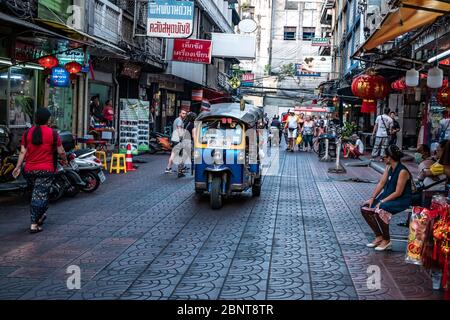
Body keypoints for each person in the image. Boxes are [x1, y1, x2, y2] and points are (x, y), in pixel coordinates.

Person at [12, 108, 68, 234]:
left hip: (29, 170)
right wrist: (65, 160)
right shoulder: (53, 134)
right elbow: (61, 151)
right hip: (45, 170)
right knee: (40, 196)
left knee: (37, 194)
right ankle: (34, 223)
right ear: (48, 120)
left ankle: (40, 216)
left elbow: (22, 152)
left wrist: (18, 166)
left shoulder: (27, 133)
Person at [361, 145, 412, 251]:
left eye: (384, 156)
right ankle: (379, 237)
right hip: (386, 197)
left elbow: (398, 192)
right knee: (365, 208)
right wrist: (372, 198)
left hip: (401, 200)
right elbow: (381, 183)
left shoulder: (402, 171)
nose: (383, 158)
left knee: (381, 210)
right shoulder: (389, 167)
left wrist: (382, 201)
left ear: (389, 158)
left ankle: (387, 240)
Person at [165, 109, 188, 174]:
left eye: (185, 113)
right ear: (179, 114)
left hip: (174, 139)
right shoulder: (180, 121)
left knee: (176, 154)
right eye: (183, 113)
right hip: (177, 140)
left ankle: (170, 168)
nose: (184, 115)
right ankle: (172, 168)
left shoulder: (176, 119)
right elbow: (179, 129)